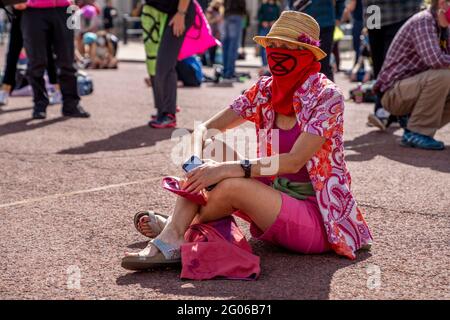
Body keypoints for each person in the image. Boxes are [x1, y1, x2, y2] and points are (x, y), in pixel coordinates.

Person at [122, 11, 373, 271]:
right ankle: (176, 231)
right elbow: (204, 130)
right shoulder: (265, 89)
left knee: (231, 186)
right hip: (272, 195)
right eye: (273, 45)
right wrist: (195, 161)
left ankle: (176, 230)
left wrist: (225, 169)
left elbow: (294, 160)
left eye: (288, 47)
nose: (277, 52)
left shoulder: (326, 95)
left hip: (315, 216)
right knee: (210, 148)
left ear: (308, 53)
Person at [374, 0, 450, 150]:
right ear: (442, 3)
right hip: (392, 93)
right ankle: (416, 132)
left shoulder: (445, 29)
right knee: (444, 75)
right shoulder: (424, 20)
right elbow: (436, 60)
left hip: (411, 89)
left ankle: (412, 122)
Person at [21, 0, 90, 119]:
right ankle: (39, 104)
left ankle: (71, 105)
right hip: (33, 10)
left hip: (64, 9)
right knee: (36, 61)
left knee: (67, 60)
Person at [362, 0, 422, 130]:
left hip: (401, 14)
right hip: (374, 14)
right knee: (378, 65)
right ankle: (384, 110)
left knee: (394, 67)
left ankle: (393, 112)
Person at [143, 0, 196, 129]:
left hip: (177, 13)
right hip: (163, 13)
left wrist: (181, 13)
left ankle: (169, 114)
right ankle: (163, 110)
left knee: (164, 64)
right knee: (157, 64)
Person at [0, 4, 60, 106]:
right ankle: (5, 90)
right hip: (20, 11)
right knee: (13, 50)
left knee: (47, 51)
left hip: (39, 11)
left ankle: (57, 90)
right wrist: (14, 3)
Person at [299, 0, 345, 82]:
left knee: (324, 62)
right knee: (306, 62)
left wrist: (338, 17)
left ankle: (329, 92)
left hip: (327, 24)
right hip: (306, 24)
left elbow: (340, 2)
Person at [221, 0, 246, 82]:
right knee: (233, 46)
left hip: (227, 15)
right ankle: (229, 74)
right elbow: (242, 4)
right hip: (236, 15)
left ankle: (225, 73)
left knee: (226, 46)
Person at [257, 0, 281, 67]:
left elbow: (279, 17)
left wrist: (274, 22)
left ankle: (271, 63)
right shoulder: (264, 5)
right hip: (264, 28)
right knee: (263, 45)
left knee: (273, 45)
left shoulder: (277, 6)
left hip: (273, 29)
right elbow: (259, 16)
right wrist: (263, 22)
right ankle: (264, 63)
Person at [205, 0, 224, 66]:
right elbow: (208, 21)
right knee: (210, 47)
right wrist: (216, 19)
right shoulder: (210, 10)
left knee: (215, 48)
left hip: (217, 32)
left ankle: (212, 61)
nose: (219, 5)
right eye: (218, 4)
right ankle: (209, 62)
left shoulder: (219, 11)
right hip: (211, 31)